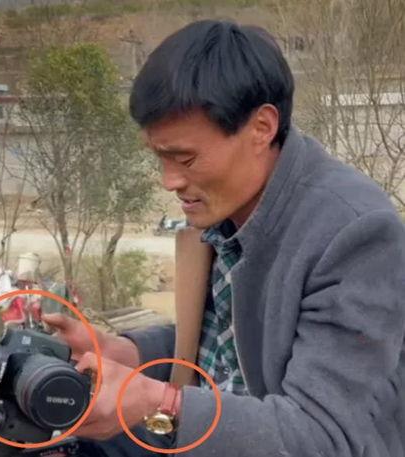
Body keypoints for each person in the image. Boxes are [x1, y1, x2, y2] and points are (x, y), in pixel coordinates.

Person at [43, 20, 405, 457]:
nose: (169, 181)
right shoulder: (229, 211)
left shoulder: (354, 234)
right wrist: (122, 352)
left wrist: (157, 401)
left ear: (261, 128)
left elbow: (321, 436)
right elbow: (227, 339)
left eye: (185, 159)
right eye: (159, 158)